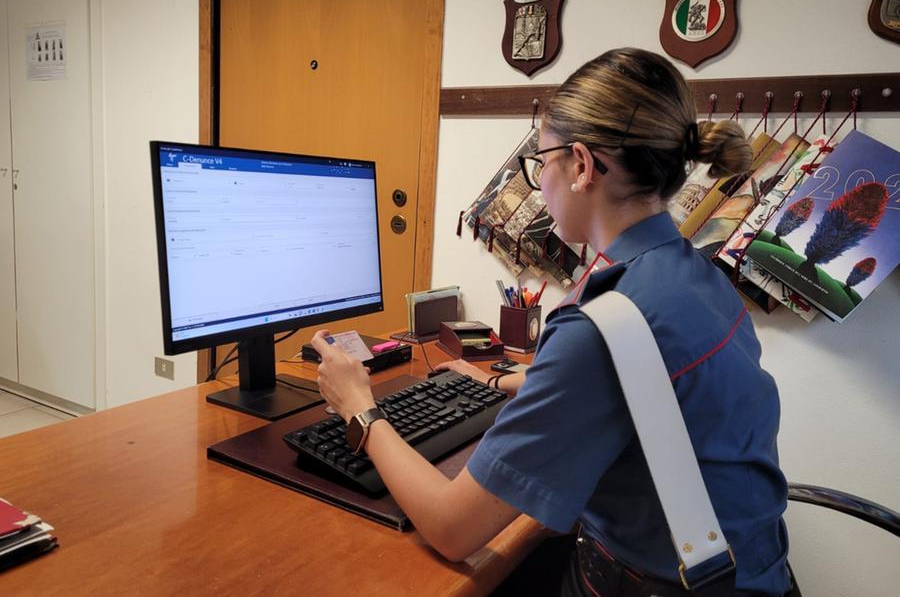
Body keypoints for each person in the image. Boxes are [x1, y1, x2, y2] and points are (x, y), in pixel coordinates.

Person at [310, 47, 791, 596]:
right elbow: (645, 385)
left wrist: (360, 409)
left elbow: (451, 527)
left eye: (541, 165)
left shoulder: (600, 327)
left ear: (582, 166)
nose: (539, 186)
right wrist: (498, 379)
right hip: (750, 571)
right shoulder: (692, 272)